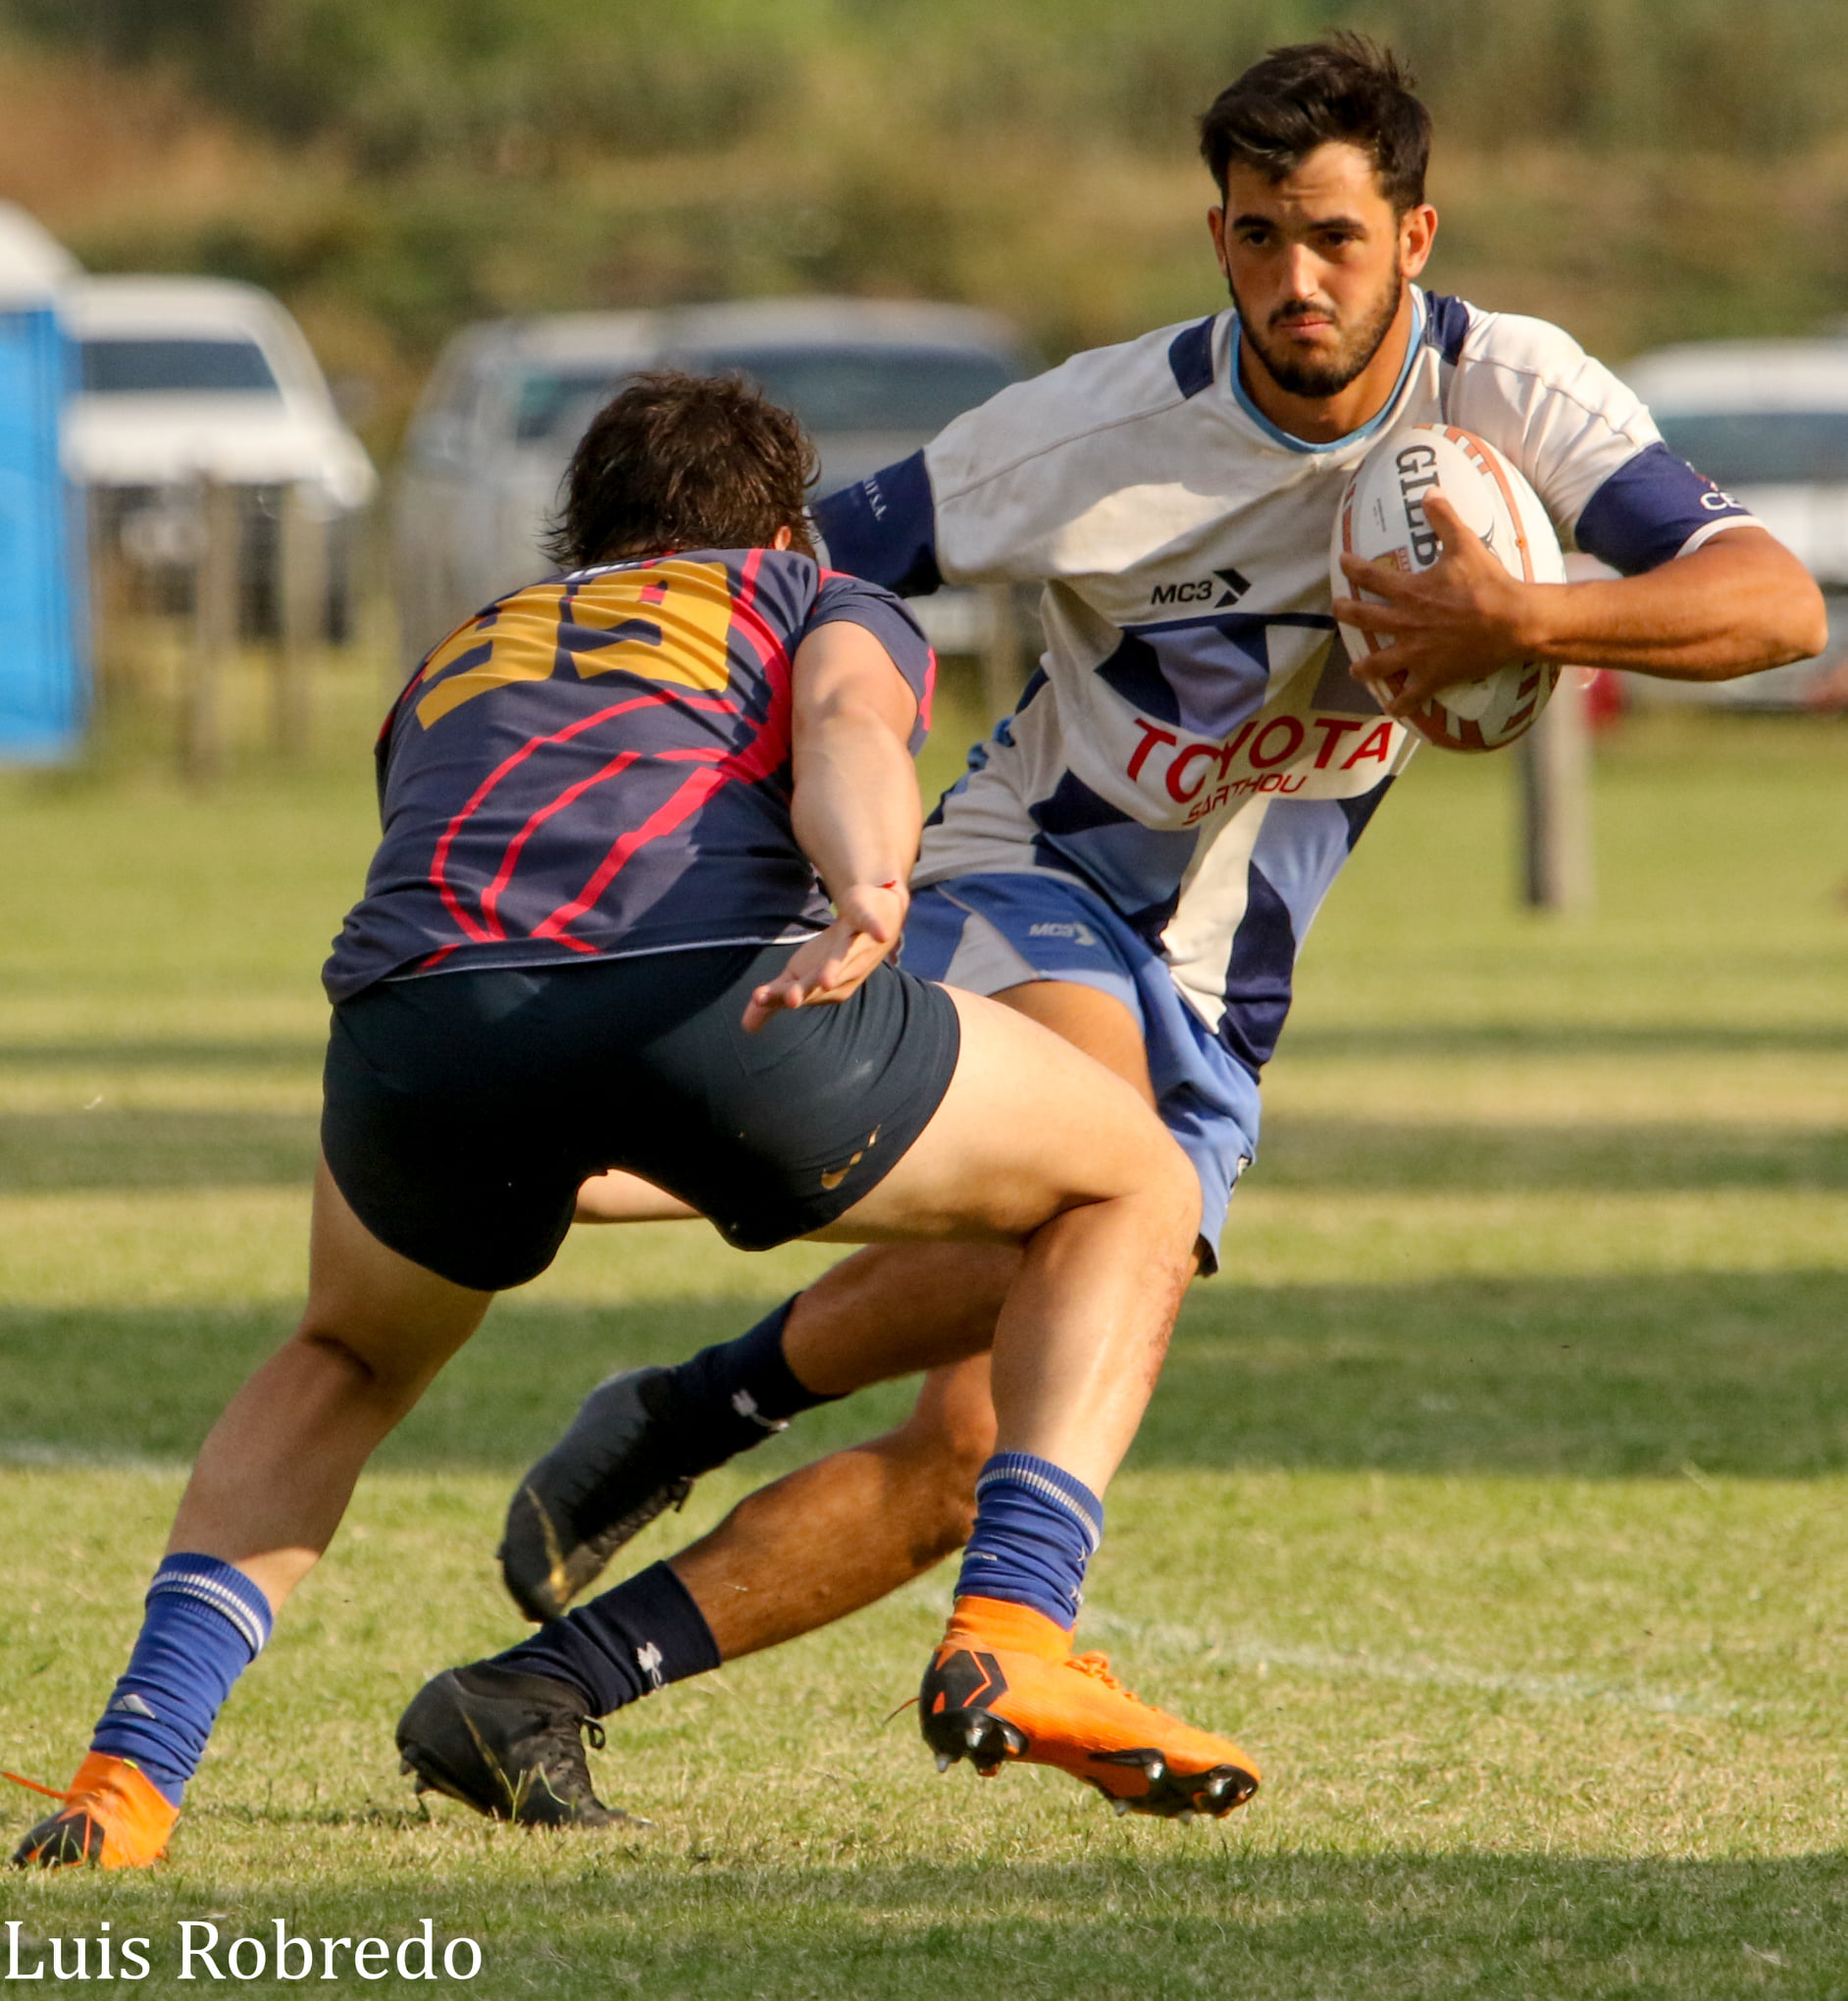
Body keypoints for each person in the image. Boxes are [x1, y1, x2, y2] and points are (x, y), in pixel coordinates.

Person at [469, 33, 1824, 1822]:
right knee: (1125, 1180)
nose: (1296, 282)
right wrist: (612, 772)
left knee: (971, 1445)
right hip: (1028, 884)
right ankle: (1018, 1630)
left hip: (1220, 977)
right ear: (1216, 231)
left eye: (1336, 237)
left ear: (1418, 235)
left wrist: (1533, 614)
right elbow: (795, 582)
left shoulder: (1517, 394)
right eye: (1258, 238)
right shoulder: (1094, 433)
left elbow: (1773, 603)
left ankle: (543, 1668)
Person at [11, 372, 1260, 1872]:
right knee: (1131, 1181)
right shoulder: (813, 594)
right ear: (789, 527)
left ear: (577, 535)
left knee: (343, 1355)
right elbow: (854, 724)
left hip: (413, 1024)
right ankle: (1018, 1628)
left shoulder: (462, 649)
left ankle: (129, 1778)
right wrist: (874, 885)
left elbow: (488, 902)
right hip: (718, 1001)